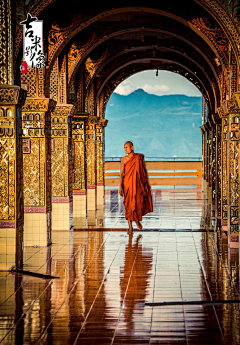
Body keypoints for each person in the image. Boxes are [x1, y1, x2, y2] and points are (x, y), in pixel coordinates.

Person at [119, 141, 153, 233]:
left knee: (137, 203)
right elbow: (122, 173)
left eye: (127, 147)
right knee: (128, 205)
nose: (125, 149)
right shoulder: (124, 159)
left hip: (138, 184)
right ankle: (130, 226)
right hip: (127, 184)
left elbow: (143, 171)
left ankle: (137, 221)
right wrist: (120, 187)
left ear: (132, 147)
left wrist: (146, 184)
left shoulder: (138, 158)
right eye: (124, 147)